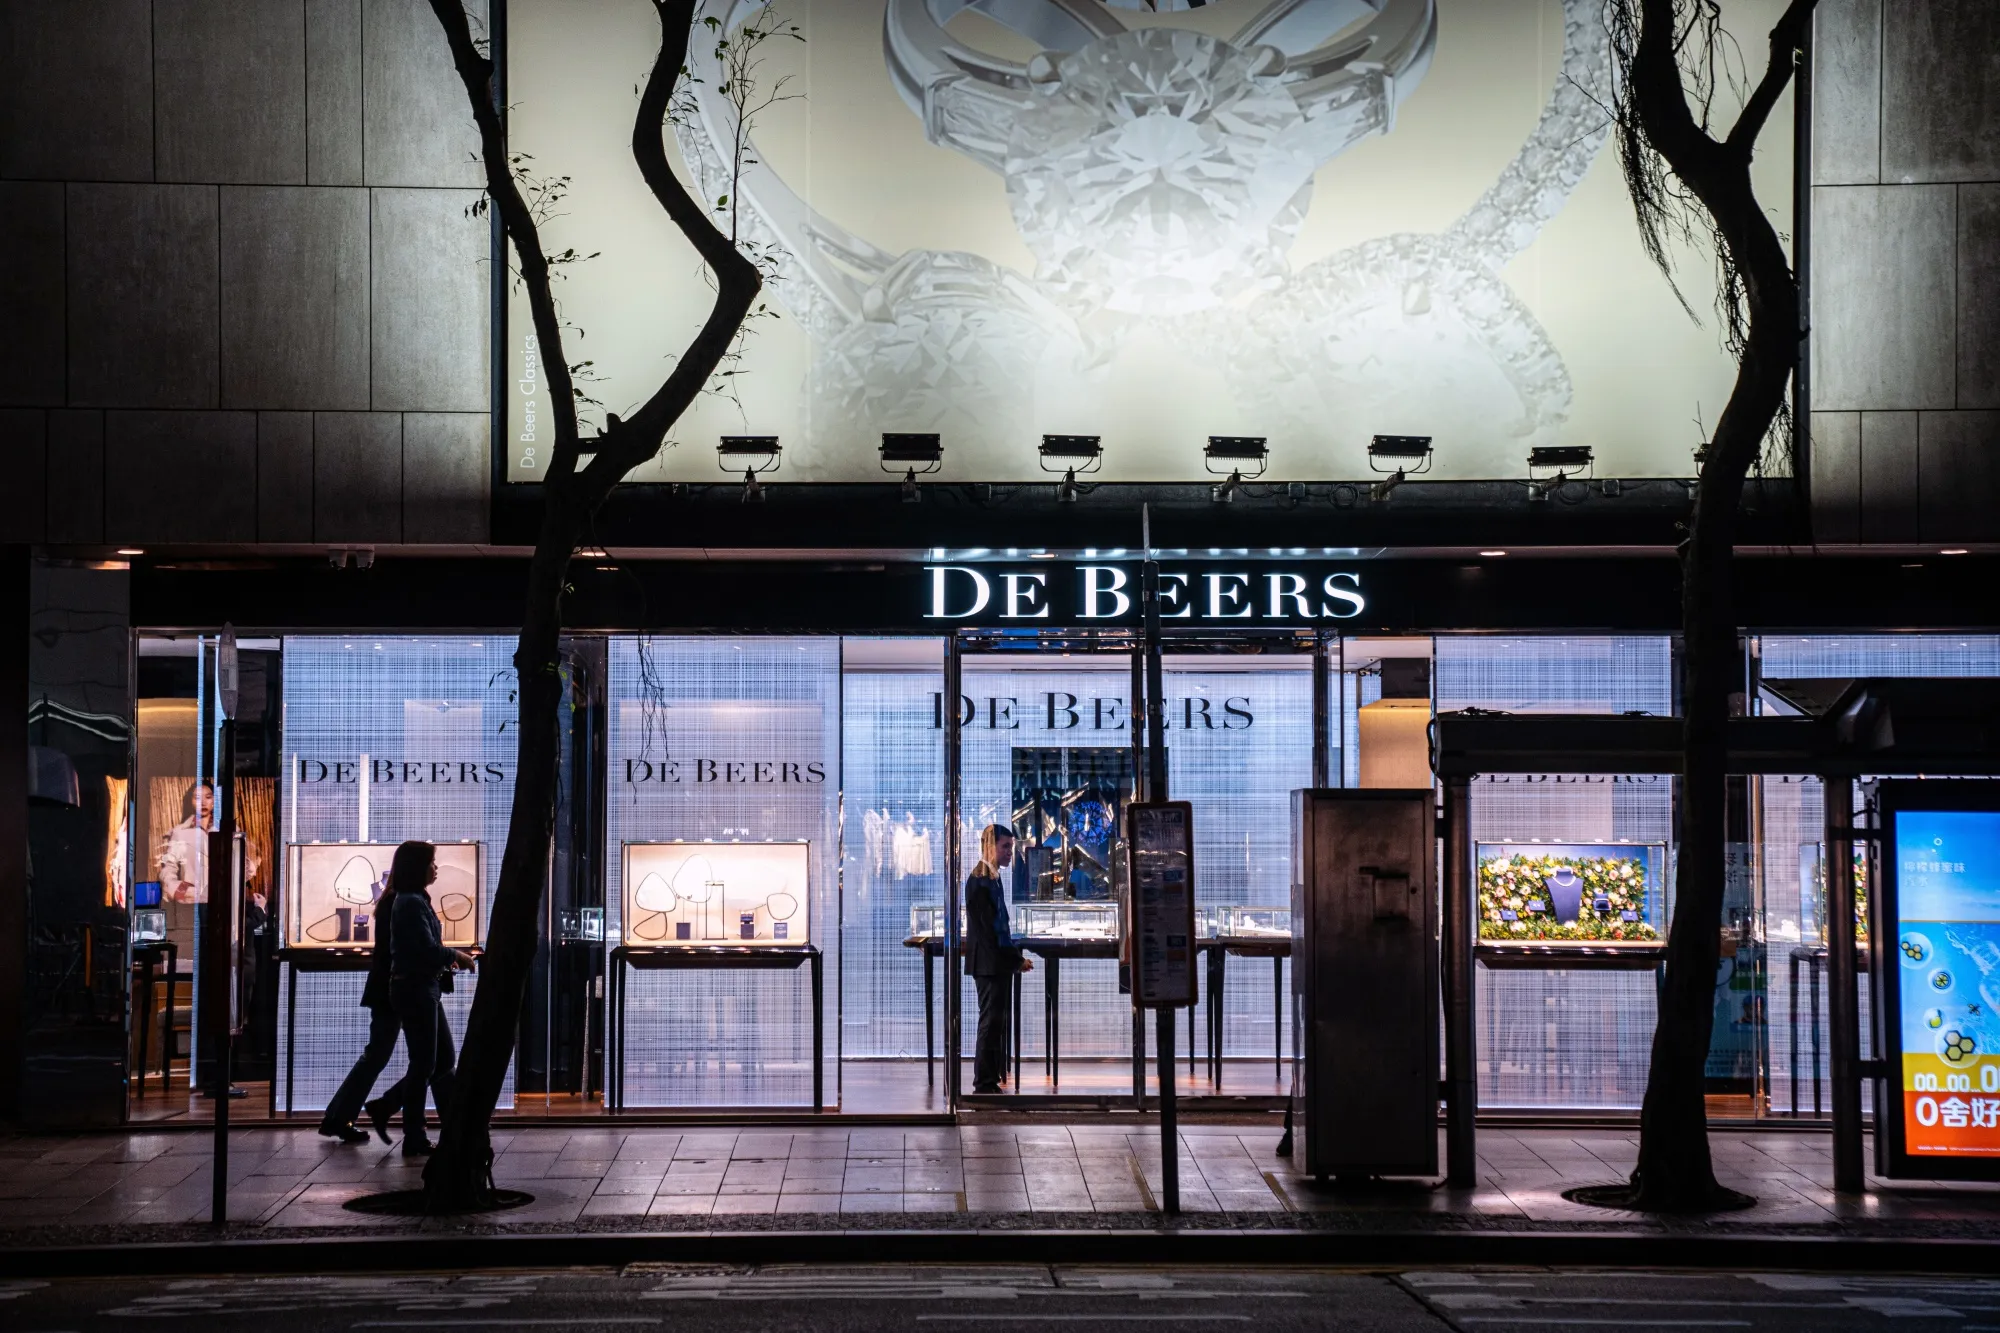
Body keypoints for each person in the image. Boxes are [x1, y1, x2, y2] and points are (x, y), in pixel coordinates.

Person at [317, 860, 416, 1146]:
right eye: (430, 864)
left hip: (388, 987)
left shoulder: (390, 901)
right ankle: (345, 1115)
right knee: (395, 1056)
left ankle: (339, 1116)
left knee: (380, 1055)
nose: (434, 869)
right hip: (395, 987)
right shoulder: (401, 902)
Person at [388, 841, 476, 1158]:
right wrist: (456, 956)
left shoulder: (414, 900)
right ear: (418, 867)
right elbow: (425, 951)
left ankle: (437, 1124)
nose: (436, 868)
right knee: (426, 1063)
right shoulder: (411, 903)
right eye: (432, 862)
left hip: (423, 989)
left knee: (438, 1061)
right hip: (416, 990)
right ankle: (414, 1133)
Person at [965, 824, 1030, 1095]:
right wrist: (1016, 959)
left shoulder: (990, 877)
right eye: (1005, 847)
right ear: (990, 846)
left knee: (994, 1022)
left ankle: (989, 1080)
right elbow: (994, 929)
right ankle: (984, 1082)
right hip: (989, 965)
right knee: (990, 1022)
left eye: (1010, 848)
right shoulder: (981, 880)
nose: (1009, 853)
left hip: (992, 964)